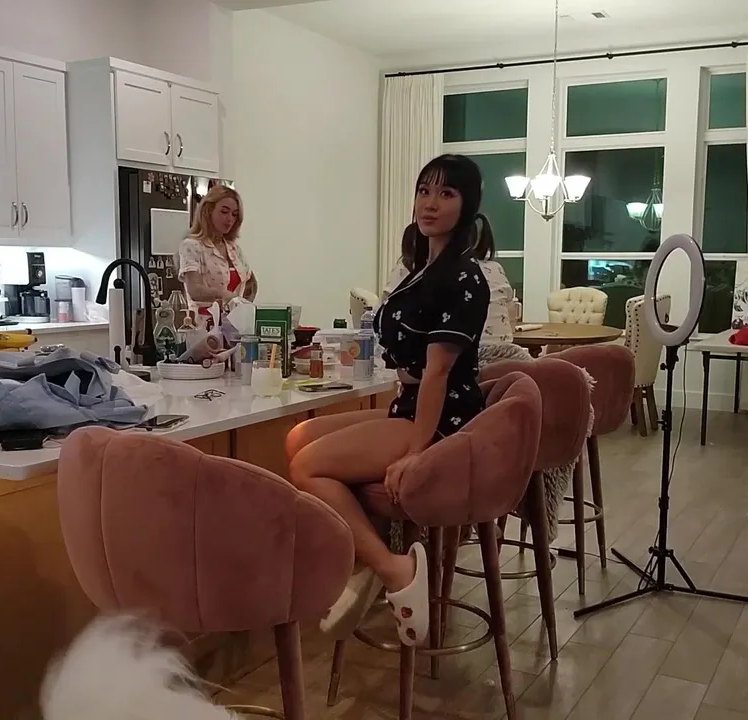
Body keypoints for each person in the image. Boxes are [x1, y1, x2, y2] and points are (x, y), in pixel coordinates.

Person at [285, 154, 491, 647]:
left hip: (442, 418)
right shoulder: (421, 270)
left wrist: (418, 450)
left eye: (446, 194)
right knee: (297, 439)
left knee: (307, 468)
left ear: (466, 206)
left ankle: (391, 568)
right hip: (412, 404)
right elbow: (414, 359)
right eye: (424, 191)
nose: (430, 203)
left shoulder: (464, 277)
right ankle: (365, 560)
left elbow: (438, 372)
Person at [383, 214, 515, 343]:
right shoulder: (494, 268)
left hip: (455, 352)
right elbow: (510, 321)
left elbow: (383, 321)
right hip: (503, 352)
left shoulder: (411, 271)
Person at [177, 185, 257, 315]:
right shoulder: (192, 246)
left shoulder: (233, 248)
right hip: (203, 322)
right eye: (224, 212)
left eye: (234, 214)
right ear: (208, 211)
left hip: (233, 322)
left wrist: (245, 309)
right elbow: (194, 290)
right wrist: (224, 295)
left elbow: (250, 283)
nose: (230, 219)